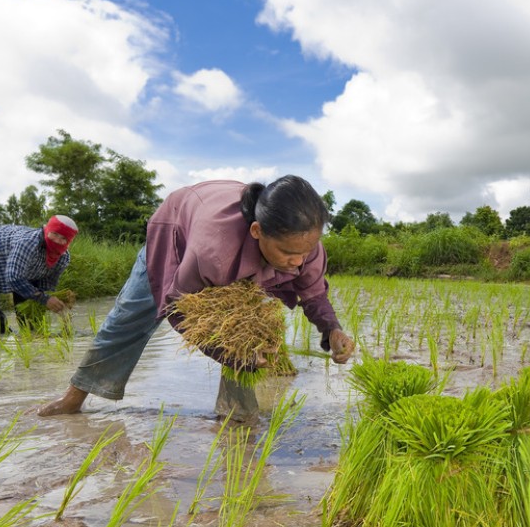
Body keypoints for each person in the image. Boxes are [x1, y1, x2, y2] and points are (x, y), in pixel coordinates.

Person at [37, 174, 356, 417]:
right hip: (175, 235)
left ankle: (237, 413)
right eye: (289, 253)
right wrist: (226, 353)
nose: (298, 262)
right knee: (129, 318)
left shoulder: (303, 247)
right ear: (257, 231)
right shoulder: (212, 250)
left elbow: (312, 291)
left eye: (305, 251)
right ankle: (73, 399)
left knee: (248, 330)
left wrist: (332, 329)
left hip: (237, 251)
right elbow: (179, 308)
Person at [0, 215, 78, 334]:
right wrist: (44, 299)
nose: (57, 240)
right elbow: (13, 277)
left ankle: (30, 338)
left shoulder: (63, 258)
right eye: (54, 234)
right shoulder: (29, 243)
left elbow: (47, 285)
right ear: (47, 230)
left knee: (31, 321)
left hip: (23, 266)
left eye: (63, 238)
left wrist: (51, 301)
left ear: (68, 242)